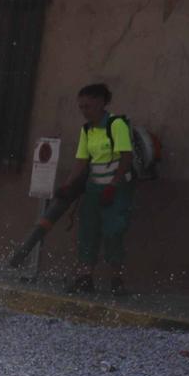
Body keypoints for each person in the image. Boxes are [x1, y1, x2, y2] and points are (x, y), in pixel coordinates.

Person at [63, 81, 135, 295]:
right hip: (94, 188)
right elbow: (81, 160)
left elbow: (126, 156)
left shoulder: (116, 125)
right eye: (81, 107)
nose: (84, 111)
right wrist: (67, 185)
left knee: (114, 231)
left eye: (88, 106)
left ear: (101, 103)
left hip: (116, 188)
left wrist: (113, 185)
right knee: (88, 231)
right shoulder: (87, 130)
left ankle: (117, 279)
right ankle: (85, 277)